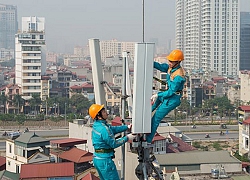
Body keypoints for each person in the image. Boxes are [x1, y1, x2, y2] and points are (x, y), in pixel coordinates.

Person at [146, 49, 186, 143]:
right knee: (150, 108)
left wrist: (158, 94)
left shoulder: (179, 76)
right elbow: (161, 66)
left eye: (171, 61)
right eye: (170, 61)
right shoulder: (171, 68)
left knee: (155, 119)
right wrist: (149, 61)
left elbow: (172, 92)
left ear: (178, 62)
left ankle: (147, 141)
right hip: (167, 95)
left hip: (172, 99)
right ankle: (142, 122)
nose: (169, 63)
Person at [89, 104, 135, 180]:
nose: (106, 113)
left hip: (98, 159)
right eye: (104, 112)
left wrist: (127, 127)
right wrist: (127, 138)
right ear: (98, 115)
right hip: (105, 161)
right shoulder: (103, 129)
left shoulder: (97, 125)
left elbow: (113, 129)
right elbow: (114, 144)